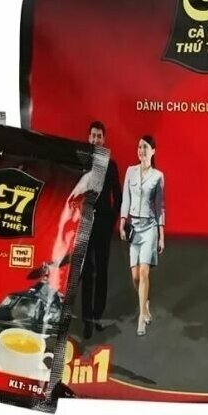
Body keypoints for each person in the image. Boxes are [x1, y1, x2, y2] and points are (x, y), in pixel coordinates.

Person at [119, 135, 165, 337]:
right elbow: (125, 200)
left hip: (150, 228)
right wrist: (122, 222)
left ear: (153, 151)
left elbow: (160, 207)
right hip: (134, 229)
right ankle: (145, 302)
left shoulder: (158, 176)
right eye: (139, 147)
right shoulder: (130, 171)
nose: (141, 150)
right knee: (136, 277)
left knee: (145, 272)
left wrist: (161, 235)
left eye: (145, 147)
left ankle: (141, 317)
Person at [81, 120, 122, 339]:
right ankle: (87, 319)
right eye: (93, 135)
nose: (96, 139)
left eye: (99, 136)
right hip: (84, 222)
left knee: (102, 271)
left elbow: (118, 196)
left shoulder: (111, 165)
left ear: (104, 139)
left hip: (103, 225)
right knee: (87, 271)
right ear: (88, 138)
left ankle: (97, 316)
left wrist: (112, 220)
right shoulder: (82, 162)